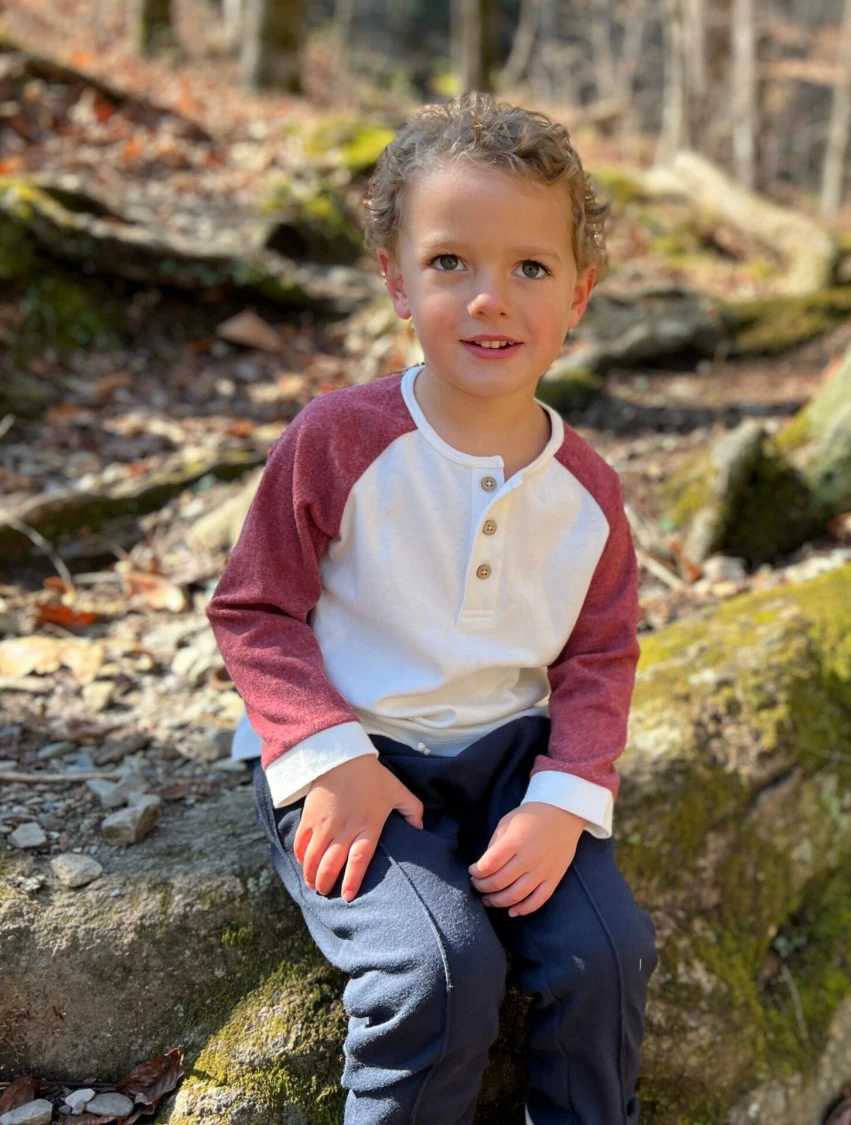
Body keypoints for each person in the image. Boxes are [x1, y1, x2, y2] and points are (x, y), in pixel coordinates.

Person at [206, 94, 657, 1125]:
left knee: (608, 953)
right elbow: (254, 609)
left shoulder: (587, 489)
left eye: (530, 268)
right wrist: (329, 761)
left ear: (580, 293)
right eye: (451, 262)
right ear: (397, 281)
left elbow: (599, 658)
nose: (490, 299)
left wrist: (562, 799)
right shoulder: (339, 438)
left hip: (509, 759)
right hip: (358, 748)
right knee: (440, 968)